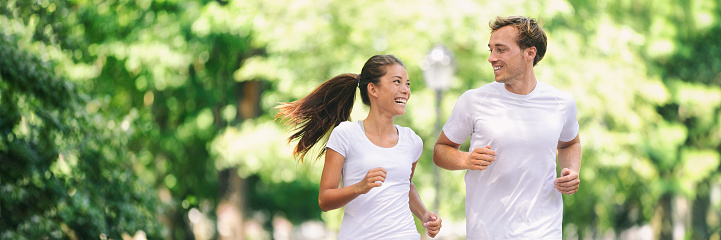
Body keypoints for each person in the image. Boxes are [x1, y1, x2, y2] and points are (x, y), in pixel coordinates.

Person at [432, 16, 582, 239]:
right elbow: (440, 150)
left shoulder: (561, 103)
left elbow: (571, 143)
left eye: (501, 50)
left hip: (544, 230)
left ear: (530, 53)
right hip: (488, 231)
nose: (492, 58)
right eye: (491, 49)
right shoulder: (473, 100)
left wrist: (571, 170)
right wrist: (466, 160)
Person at [276, 55, 442, 239]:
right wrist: (359, 187)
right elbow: (325, 200)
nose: (405, 90)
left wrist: (424, 214)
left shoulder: (412, 141)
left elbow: (405, 185)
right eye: (397, 82)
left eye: (408, 84)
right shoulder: (346, 134)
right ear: (373, 89)